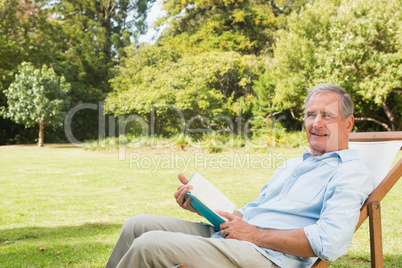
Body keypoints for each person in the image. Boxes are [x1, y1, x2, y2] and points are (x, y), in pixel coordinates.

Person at [105, 84, 375, 268]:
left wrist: (256, 235)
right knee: (137, 226)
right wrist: (204, 206)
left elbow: (331, 241)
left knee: (151, 244)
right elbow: (248, 216)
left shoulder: (350, 173)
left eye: (327, 115)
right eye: (310, 115)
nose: (316, 123)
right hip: (237, 237)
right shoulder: (293, 165)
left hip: (267, 257)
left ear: (347, 123)